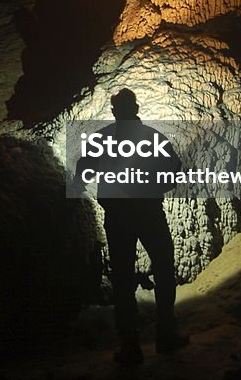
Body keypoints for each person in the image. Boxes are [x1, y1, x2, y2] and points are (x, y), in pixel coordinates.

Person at [73, 89, 189, 365]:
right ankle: (166, 335)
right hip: (149, 212)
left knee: (123, 280)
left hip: (118, 215)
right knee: (163, 269)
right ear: (136, 108)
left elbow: (84, 174)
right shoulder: (153, 138)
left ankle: (130, 347)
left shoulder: (101, 139)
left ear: (114, 111)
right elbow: (174, 174)